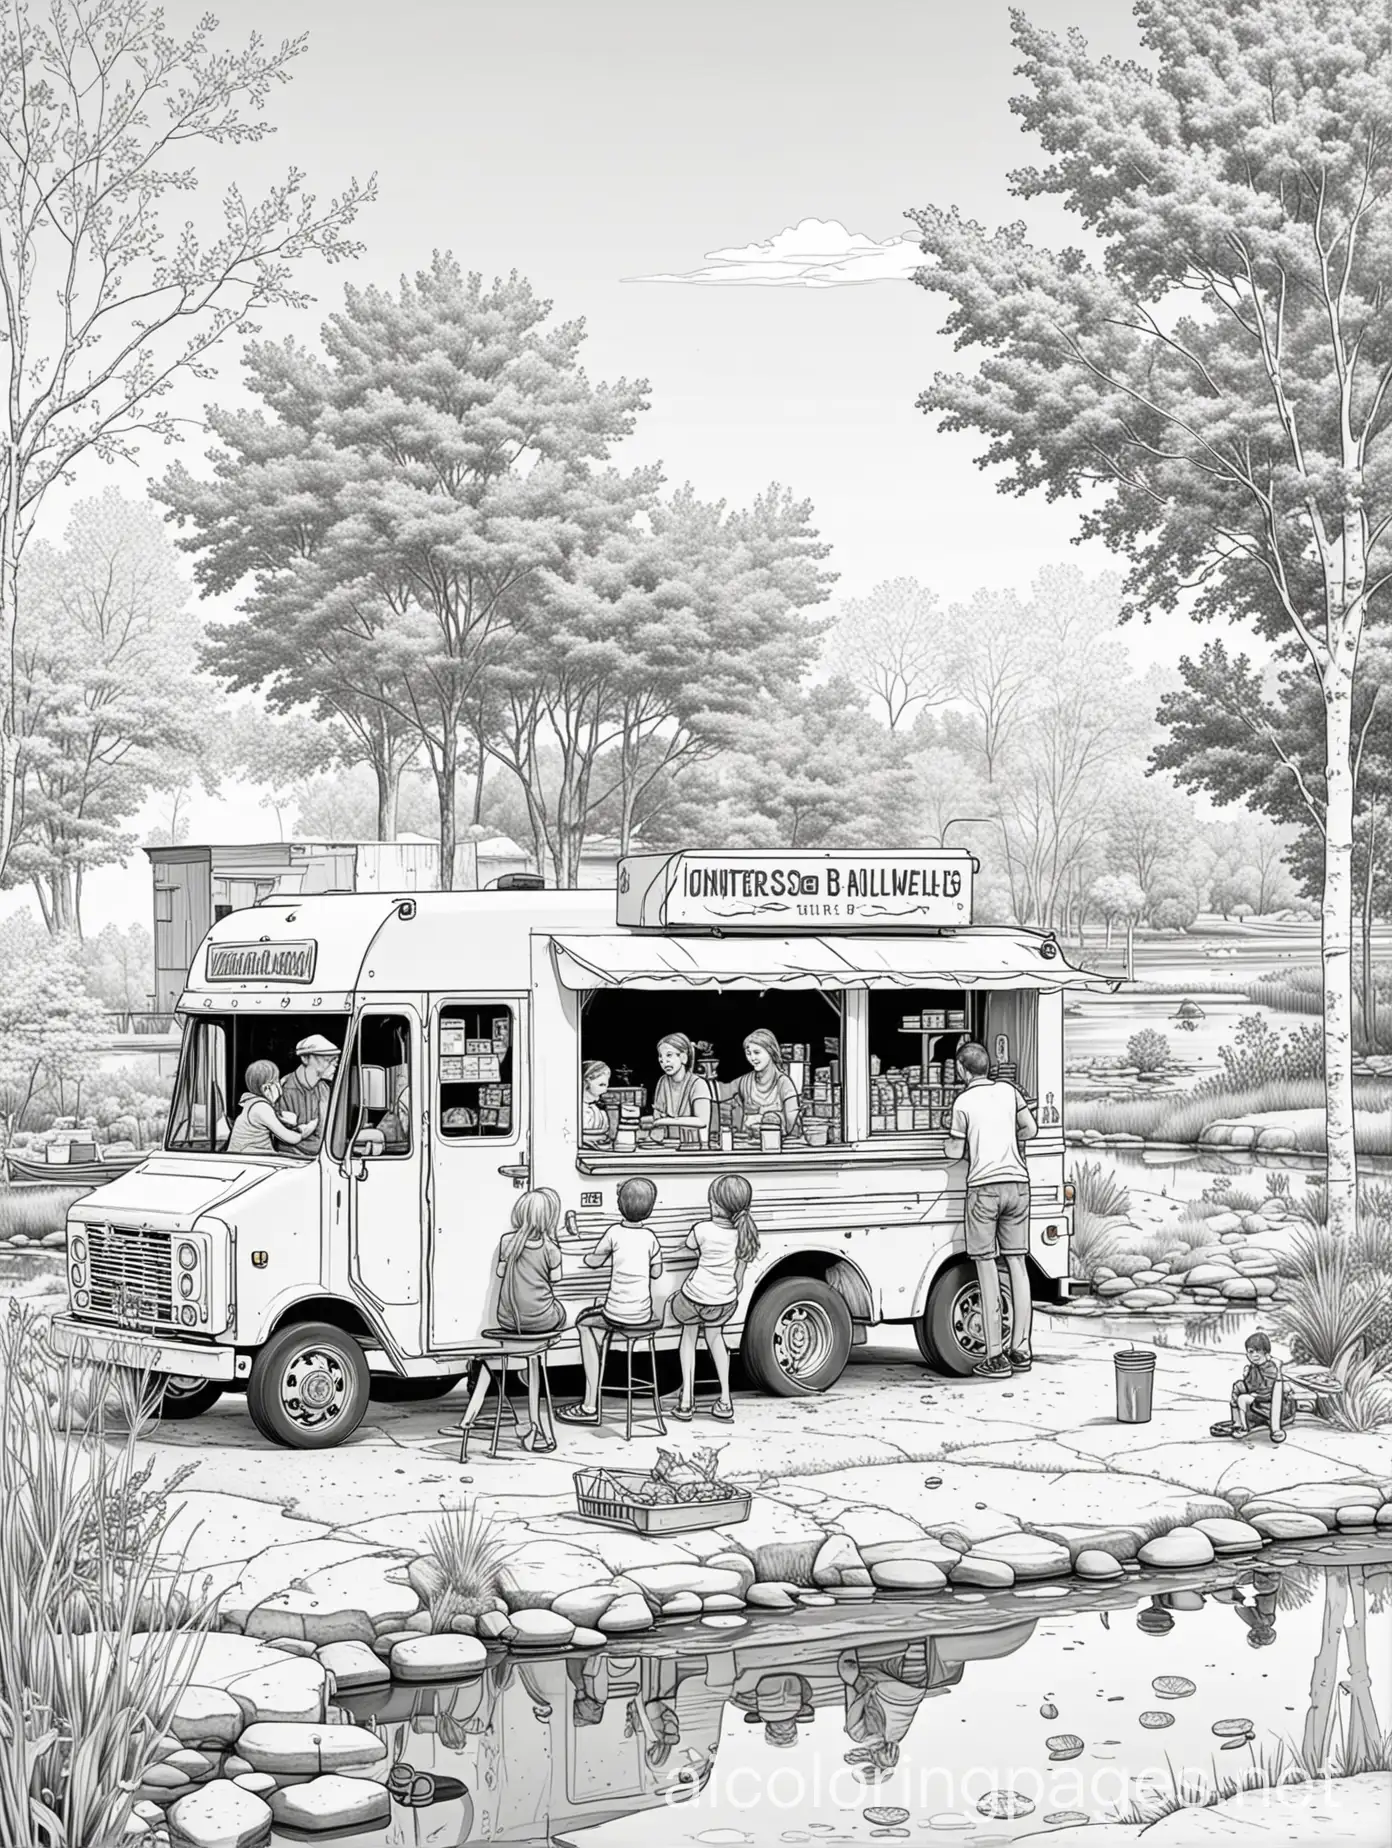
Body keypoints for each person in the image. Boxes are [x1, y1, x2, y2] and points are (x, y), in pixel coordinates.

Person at [440, 1188, 563, 1453]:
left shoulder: (508, 1242)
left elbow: (500, 1272)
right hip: (542, 1323)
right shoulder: (552, 1249)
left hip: (509, 1321)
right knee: (557, 1319)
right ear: (549, 1219)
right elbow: (556, 1281)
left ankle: (469, 1419)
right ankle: (533, 1422)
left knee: (490, 1359)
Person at [943, 1040, 1037, 1380]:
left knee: (986, 1270)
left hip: (984, 1189)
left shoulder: (963, 1101)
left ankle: (995, 1356)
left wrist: (956, 1143)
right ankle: (1022, 1349)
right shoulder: (1010, 1092)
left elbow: (954, 1151)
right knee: (1017, 1265)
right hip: (1018, 1185)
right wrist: (1007, 1140)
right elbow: (1031, 1129)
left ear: (961, 1069)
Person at [556, 1175, 664, 1426]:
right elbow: (656, 1272)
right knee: (598, 1325)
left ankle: (590, 1404)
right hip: (643, 1315)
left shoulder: (614, 1232)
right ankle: (591, 1400)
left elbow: (593, 1261)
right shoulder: (650, 1237)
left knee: (585, 1323)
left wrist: (586, 1253)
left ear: (619, 1206)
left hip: (615, 1315)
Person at [668, 1172, 759, 1422]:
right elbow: (738, 1281)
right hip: (723, 1302)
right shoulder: (744, 1235)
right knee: (716, 1340)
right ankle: (725, 1400)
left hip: (694, 1298)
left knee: (688, 1338)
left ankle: (686, 1401)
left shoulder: (702, 1229)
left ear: (716, 1205)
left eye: (711, 1201)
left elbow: (687, 1246)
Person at [1209, 1330, 1289, 1443]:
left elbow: (1271, 1389)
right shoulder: (1253, 1368)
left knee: (1242, 1399)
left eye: (1258, 1351)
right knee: (1238, 1386)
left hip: (1269, 1403)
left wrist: (1255, 1395)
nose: (1254, 1355)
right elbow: (1250, 1385)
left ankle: (1245, 1428)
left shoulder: (1270, 1368)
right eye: (1251, 1352)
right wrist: (1246, 1379)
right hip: (1258, 1399)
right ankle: (1237, 1421)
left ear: (1266, 1353)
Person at [226, 1060, 319, 1155]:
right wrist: (307, 1127)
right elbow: (291, 1139)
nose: (280, 1086)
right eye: (276, 1081)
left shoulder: (252, 1103)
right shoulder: (261, 1108)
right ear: (266, 1088)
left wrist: (291, 1124)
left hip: (249, 1155)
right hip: (250, 1157)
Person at [277, 1033, 340, 1158]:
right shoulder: (286, 1090)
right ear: (305, 1058)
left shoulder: (323, 1088)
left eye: (335, 1060)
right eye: (327, 1059)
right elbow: (286, 1140)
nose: (334, 1065)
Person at [645, 1033, 712, 1147]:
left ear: (683, 1058)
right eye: (661, 1056)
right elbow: (658, 1116)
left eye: (669, 1055)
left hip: (694, 1145)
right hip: (667, 1144)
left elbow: (702, 1121)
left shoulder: (699, 1084)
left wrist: (665, 1121)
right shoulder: (663, 1081)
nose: (664, 1061)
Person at [729, 1028, 799, 1137]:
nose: (752, 1058)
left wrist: (762, 1119)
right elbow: (736, 1125)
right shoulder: (743, 1082)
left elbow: (793, 1126)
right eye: (748, 1053)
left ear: (770, 1051)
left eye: (757, 1052)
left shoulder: (784, 1083)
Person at [580, 1060, 613, 1147]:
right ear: (586, 1082)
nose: (605, 1090)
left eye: (606, 1086)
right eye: (601, 1085)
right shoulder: (579, 1111)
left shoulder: (598, 1110)